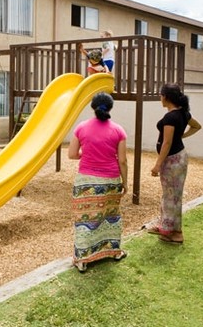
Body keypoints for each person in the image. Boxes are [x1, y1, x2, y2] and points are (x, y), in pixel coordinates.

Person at [68, 92, 128, 272]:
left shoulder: (81, 128)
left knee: (85, 218)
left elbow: (71, 154)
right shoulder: (118, 130)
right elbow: (123, 161)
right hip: (110, 179)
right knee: (110, 216)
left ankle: (82, 259)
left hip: (85, 181)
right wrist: (125, 183)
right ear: (110, 108)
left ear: (93, 107)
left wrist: (85, 154)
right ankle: (113, 252)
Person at [148, 83, 202, 244]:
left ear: (166, 97)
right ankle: (167, 228)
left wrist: (157, 164)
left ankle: (176, 233)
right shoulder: (184, 113)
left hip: (173, 160)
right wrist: (182, 136)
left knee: (171, 197)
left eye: (161, 95)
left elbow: (167, 143)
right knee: (171, 196)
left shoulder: (170, 117)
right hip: (179, 157)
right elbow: (197, 126)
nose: (160, 97)